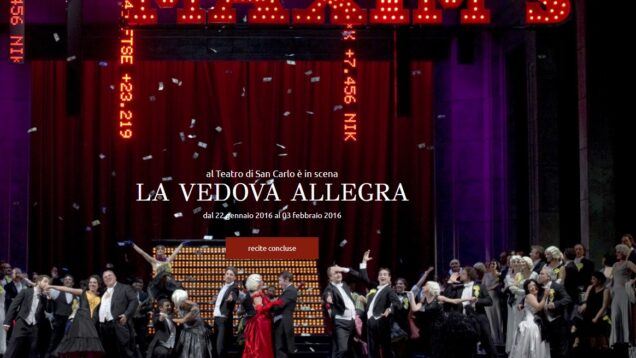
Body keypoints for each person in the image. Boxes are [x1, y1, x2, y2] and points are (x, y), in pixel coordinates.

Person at [322, 251, 370, 358]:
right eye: (336, 273)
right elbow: (327, 293)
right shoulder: (330, 288)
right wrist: (328, 298)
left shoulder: (344, 284)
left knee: (353, 350)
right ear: (330, 278)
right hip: (341, 323)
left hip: (353, 322)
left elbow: (362, 277)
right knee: (342, 350)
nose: (339, 274)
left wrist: (344, 269)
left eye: (339, 272)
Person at [407, 281, 471, 357]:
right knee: (433, 349)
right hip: (431, 328)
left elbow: (455, 301)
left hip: (442, 327)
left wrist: (469, 299)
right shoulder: (423, 301)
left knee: (441, 349)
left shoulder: (438, 298)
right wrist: (411, 296)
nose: (423, 287)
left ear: (431, 288)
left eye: (425, 285)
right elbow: (414, 308)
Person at [446, 266, 496, 358]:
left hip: (479, 318)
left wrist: (477, 301)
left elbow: (489, 301)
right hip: (463, 320)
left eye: (463, 273)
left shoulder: (479, 286)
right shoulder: (458, 287)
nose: (460, 274)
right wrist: (450, 282)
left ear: (469, 275)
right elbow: (447, 296)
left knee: (488, 343)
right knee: (465, 346)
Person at [49, 275, 105, 357]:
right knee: (76, 347)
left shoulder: (100, 296)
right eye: (90, 282)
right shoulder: (83, 292)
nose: (92, 284)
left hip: (92, 324)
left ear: (98, 284)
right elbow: (67, 289)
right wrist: (51, 286)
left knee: (89, 348)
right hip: (80, 322)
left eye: (94, 282)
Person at [2, 274, 51, 358]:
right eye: (45, 281)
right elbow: (13, 306)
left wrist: (48, 299)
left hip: (34, 326)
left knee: (32, 351)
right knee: (12, 349)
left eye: (48, 283)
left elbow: (49, 310)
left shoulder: (44, 297)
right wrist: (7, 322)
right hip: (22, 323)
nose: (47, 284)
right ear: (38, 282)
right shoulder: (26, 291)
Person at [360, 260, 401, 358]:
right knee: (372, 351)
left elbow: (397, 303)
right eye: (381, 274)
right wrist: (364, 262)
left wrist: (389, 310)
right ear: (378, 277)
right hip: (370, 323)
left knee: (386, 350)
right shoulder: (374, 288)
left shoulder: (389, 290)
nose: (382, 276)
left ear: (389, 278)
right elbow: (364, 278)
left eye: (385, 274)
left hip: (381, 322)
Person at [95, 270, 139, 358]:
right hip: (104, 326)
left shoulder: (125, 288)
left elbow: (134, 301)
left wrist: (126, 315)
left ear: (115, 277)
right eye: (105, 277)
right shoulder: (102, 292)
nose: (107, 278)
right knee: (108, 352)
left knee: (124, 352)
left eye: (109, 275)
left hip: (118, 323)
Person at [242, 274, 282, 358]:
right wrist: (273, 303)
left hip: (264, 321)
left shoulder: (261, 293)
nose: (263, 282)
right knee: (261, 345)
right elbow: (259, 309)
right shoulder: (257, 294)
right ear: (257, 283)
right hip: (260, 322)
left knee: (265, 344)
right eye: (261, 281)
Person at [508, 279, 551, 358]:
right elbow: (538, 307)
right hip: (531, 324)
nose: (533, 287)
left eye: (534, 285)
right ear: (527, 289)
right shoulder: (530, 296)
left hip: (540, 322)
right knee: (530, 346)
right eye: (530, 287)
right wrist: (545, 296)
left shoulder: (540, 292)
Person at [537, 266, 572, 358]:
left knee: (561, 347)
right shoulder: (539, 288)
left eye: (542, 274)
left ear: (548, 276)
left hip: (558, 321)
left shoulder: (557, 286)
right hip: (545, 322)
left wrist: (555, 304)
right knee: (550, 347)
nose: (539, 275)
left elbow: (568, 299)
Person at [171, 289, 214, 358]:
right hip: (186, 332)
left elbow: (183, 320)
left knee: (197, 353)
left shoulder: (194, 308)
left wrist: (169, 318)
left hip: (196, 334)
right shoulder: (180, 304)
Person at [609, 244, 636, 346]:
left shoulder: (628, 263)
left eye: (619, 252)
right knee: (615, 316)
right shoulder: (615, 265)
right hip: (615, 293)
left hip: (624, 292)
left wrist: (632, 281)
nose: (617, 253)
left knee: (625, 315)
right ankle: (616, 340)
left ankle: (627, 339)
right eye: (617, 252)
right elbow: (612, 279)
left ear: (624, 252)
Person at [578, 272, 610, 350]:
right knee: (590, 337)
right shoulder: (590, 287)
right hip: (588, 314)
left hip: (598, 315)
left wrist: (596, 318)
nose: (591, 280)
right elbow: (585, 299)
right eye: (591, 278)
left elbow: (604, 306)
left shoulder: (606, 290)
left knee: (600, 335)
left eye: (593, 279)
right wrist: (584, 304)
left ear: (599, 280)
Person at [47, 274, 77, 357]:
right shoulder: (57, 292)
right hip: (58, 320)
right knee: (54, 340)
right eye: (66, 279)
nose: (67, 280)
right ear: (63, 282)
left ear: (73, 283)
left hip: (70, 321)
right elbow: (47, 287)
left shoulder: (76, 294)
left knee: (66, 341)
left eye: (69, 279)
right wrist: (52, 278)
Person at [213, 267, 239, 358]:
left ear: (234, 278)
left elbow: (234, 295)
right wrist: (215, 300)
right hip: (216, 318)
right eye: (227, 274)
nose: (228, 276)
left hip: (223, 319)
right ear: (224, 276)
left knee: (220, 346)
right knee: (216, 344)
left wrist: (231, 299)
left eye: (231, 274)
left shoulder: (234, 287)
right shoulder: (223, 287)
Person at [271, 271, 297, 358]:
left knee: (280, 347)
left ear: (286, 280)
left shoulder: (290, 290)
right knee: (281, 346)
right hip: (281, 321)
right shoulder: (288, 291)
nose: (279, 283)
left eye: (280, 280)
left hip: (283, 322)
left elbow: (279, 305)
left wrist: (269, 305)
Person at [483, 260, 504, 345]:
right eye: (490, 264)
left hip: (496, 298)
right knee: (490, 319)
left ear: (497, 265)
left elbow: (500, 285)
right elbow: (483, 287)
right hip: (488, 298)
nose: (491, 265)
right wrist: (491, 288)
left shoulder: (499, 274)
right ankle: (494, 340)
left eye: (493, 264)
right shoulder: (486, 275)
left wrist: (492, 287)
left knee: (499, 319)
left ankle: (501, 340)